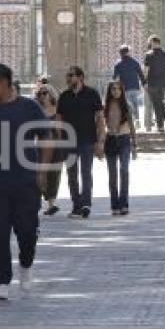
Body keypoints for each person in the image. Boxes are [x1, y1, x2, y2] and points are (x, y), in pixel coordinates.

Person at [0, 64, 52, 301]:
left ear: (5, 83)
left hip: (26, 182)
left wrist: (42, 172)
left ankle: (26, 264)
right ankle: (1, 280)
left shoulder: (29, 108)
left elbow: (46, 138)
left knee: (27, 232)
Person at [57, 66, 105, 219]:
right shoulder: (64, 96)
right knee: (71, 175)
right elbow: (59, 120)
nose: (68, 78)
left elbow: (99, 118)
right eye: (67, 75)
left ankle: (86, 204)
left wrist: (100, 140)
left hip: (87, 140)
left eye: (71, 75)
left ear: (80, 77)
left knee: (86, 173)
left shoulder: (92, 94)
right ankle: (76, 205)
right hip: (68, 141)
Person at [103, 81, 137, 216]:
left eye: (118, 89)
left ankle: (124, 204)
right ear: (109, 91)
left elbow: (132, 125)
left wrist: (134, 143)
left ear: (122, 91)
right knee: (112, 175)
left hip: (124, 139)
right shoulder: (105, 107)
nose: (115, 91)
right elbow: (101, 124)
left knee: (124, 171)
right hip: (110, 140)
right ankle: (115, 205)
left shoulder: (126, 105)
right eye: (113, 89)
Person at [35, 85, 63, 216]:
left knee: (55, 175)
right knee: (41, 173)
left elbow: (61, 130)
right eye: (39, 94)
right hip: (41, 147)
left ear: (51, 94)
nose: (42, 96)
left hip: (56, 146)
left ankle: (51, 203)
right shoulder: (36, 111)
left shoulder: (58, 110)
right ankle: (36, 201)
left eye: (44, 93)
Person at [143, 35, 165, 133]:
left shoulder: (148, 55)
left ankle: (160, 126)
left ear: (153, 42)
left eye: (150, 43)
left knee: (156, 103)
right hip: (162, 82)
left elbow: (146, 70)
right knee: (159, 102)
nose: (149, 45)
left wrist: (144, 82)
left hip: (152, 82)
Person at [113, 44, 145, 123]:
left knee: (126, 105)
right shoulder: (135, 62)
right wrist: (144, 83)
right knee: (135, 104)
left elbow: (114, 77)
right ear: (128, 52)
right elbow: (140, 74)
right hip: (135, 87)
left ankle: (128, 121)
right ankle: (137, 120)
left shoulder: (118, 64)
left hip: (124, 87)